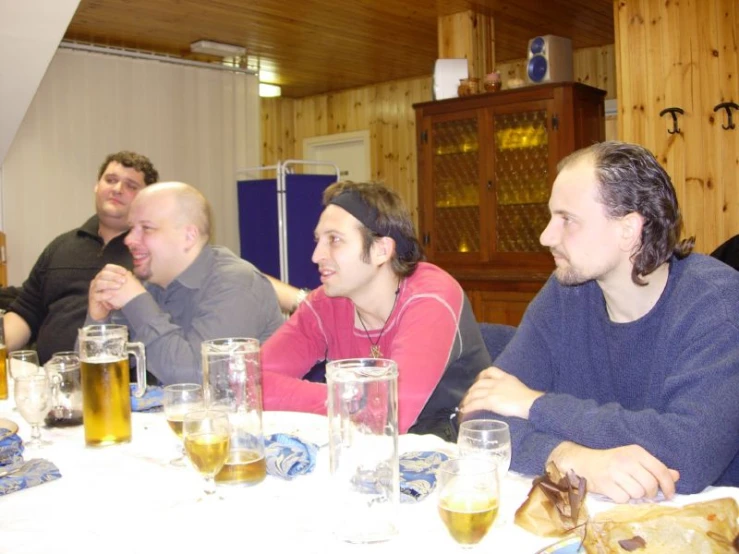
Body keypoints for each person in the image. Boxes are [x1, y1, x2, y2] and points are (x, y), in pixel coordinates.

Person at [460, 141, 739, 503]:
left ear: (628, 230)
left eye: (567, 220)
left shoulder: (716, 304)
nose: (546, 236)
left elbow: (687, 454)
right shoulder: (565, 293)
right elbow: (480, 418)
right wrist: (572, 459)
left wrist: (534, 405)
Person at [261, 180, 491, 438]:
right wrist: (355, 401)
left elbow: (389, 415)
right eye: (319, 240)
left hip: (450, 454)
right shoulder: (326, 302)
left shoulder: (431, 297)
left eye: (334, 240)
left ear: (381, 250)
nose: (316, 255)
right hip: (364, 453)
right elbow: (254, 382)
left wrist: (351, 402)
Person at [86, 181, 284, 384]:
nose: (129, 240)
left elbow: (199, 379)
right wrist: (97, 319)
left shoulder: (236, 283)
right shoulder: (153, 285)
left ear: (189, 237)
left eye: (146, 228)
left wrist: (138, 303)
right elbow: (98, 380)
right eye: (131, 228)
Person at [3, 151, 158, 363]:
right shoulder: (60, 247)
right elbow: (26, 312)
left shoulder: (153, 254)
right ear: (97, 186)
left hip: (119, 381)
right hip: (49, 381)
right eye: (110, 180)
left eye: (131, 185)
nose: (117, 189)